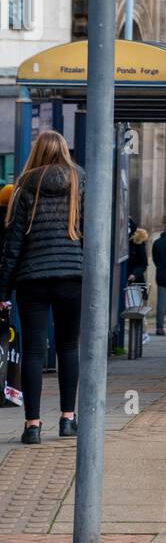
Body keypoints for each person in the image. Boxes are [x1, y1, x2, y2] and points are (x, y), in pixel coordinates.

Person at [0, 131, 84, 444]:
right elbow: (90, 233)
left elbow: (13, 242)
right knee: (68, 347)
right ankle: (67, 419)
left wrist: (3, 291)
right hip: (71, 277)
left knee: (34, 351)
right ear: (64, 151)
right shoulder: (80, 182)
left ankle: (32, 426)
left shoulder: (24, 187)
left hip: (32, 279)